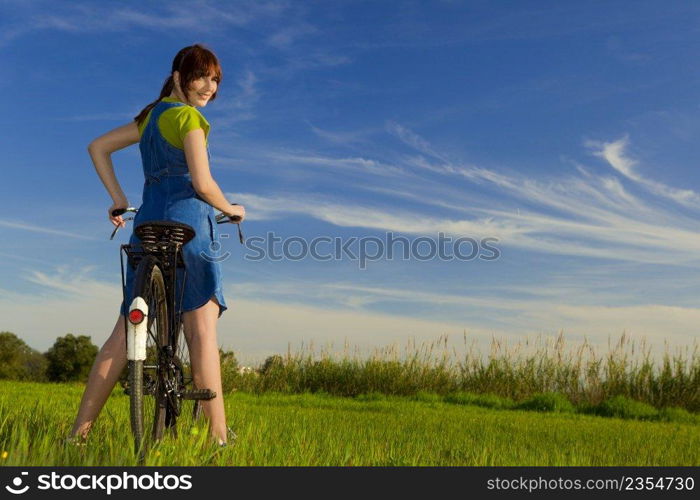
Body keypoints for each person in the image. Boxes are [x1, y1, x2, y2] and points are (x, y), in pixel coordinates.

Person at [68, 44, 245, 447]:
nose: (209, 87)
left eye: (215, 79)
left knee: (124, 332)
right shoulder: (189, 119)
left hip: (147, 224)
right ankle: (218, 437)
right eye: (201, 76)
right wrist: (232, 208)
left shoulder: (149, 119)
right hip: (190, 227)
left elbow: (97, 146)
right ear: (180, 77)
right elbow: (202, 184)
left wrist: (117, 197)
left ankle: (76, 436)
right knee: (201, 330)